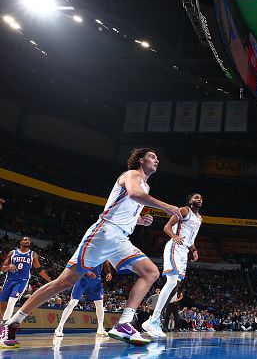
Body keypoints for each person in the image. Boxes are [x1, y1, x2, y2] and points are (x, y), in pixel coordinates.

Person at [0, 148, 183, 348]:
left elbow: (121, 208)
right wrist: (167, 207)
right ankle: (12, 322)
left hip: (120, 238)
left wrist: (139, 220)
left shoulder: (145, 186)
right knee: (63, 282)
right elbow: (134, 194)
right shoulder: (132, 175)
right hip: (104, 234)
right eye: (152, 156)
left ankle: (123, 323)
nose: (156, 160)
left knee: (150, 272)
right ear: (141, 159)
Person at [142, 193, 202, 338]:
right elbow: (167, 227)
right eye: (196, 197)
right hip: (175, 247)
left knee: (174, 286)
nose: (199, 199)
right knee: (171, 282)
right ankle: (153, 320)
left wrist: (193, 250)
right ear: (189, 200)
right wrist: (174, 236)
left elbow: (191, 238)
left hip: (184, 252)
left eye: (201, 198)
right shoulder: (184, 210)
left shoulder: (199, 218)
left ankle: (154, 320)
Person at [0, 237, 52, 325]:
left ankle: (5, 325)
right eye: (25, 240)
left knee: (12, 301)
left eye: (28, 240)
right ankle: (4, 321)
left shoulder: (32, 254)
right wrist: (9, 266)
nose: (27, 241)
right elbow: (3, 268)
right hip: (9, 280)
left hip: (22, 281)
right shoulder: (12, 253)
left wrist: (49, 280)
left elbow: (39, 269)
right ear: (20, 242)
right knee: (2, 304)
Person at [54, 261, 112, 337]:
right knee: (73, 302)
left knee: (99, 304)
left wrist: (109, 273)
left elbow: (106, 264)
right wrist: (87, 271)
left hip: (96, 280)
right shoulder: (88, 249)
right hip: (82, 278)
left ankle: (100, 328)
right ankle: (59, 328)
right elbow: (79, 262)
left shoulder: (106, 251)